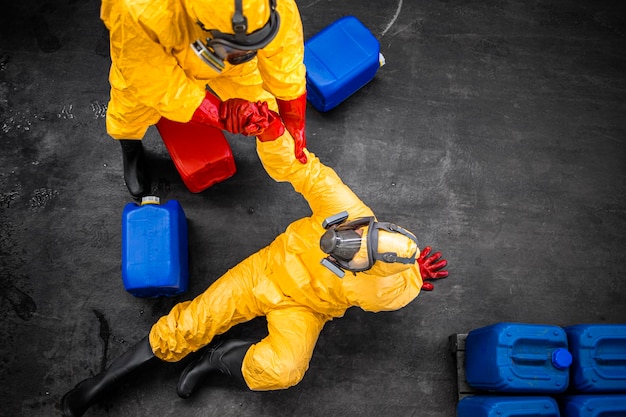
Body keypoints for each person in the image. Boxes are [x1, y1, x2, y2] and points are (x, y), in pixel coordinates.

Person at [61, 125, 449, 416]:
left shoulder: (386, 293)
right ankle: (101, 384)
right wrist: (271, 132)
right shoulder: (345, 207)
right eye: (352, 232)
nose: (341, 240)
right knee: (191, 324)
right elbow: (304, 168)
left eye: (351, 253)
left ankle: (219, 361)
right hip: (265, 271)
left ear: (370, 270)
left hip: (305, 310)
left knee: (286, 370)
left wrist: (413, 277)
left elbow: (403, 286)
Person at [101, 0, 308, 198]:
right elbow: (154, 82)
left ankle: (242, 48)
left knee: (262, 100)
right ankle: (130, 146)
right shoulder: (136, 9)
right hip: (154, 61)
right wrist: (219, 114)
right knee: (130, 108)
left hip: (226, 52)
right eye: (235, 50)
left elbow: (284, 49)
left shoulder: (262, 7)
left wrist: (293, 115)